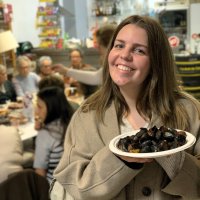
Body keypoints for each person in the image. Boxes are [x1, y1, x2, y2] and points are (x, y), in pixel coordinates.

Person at [53, 15, 200, 199]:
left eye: (139, 50)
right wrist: (119, 159)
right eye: (119, 45)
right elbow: (74, 186)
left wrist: (174, 158)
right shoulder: (87, 114)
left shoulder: (189, 111)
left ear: (157, 61)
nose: (124, 55)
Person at [33, 86, 74, 183]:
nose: (36, 111)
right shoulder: (72, 122)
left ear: (52, 107)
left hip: (55, 188)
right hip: (75, 183)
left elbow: (40, 172)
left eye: (39, 106)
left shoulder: (46, 134)